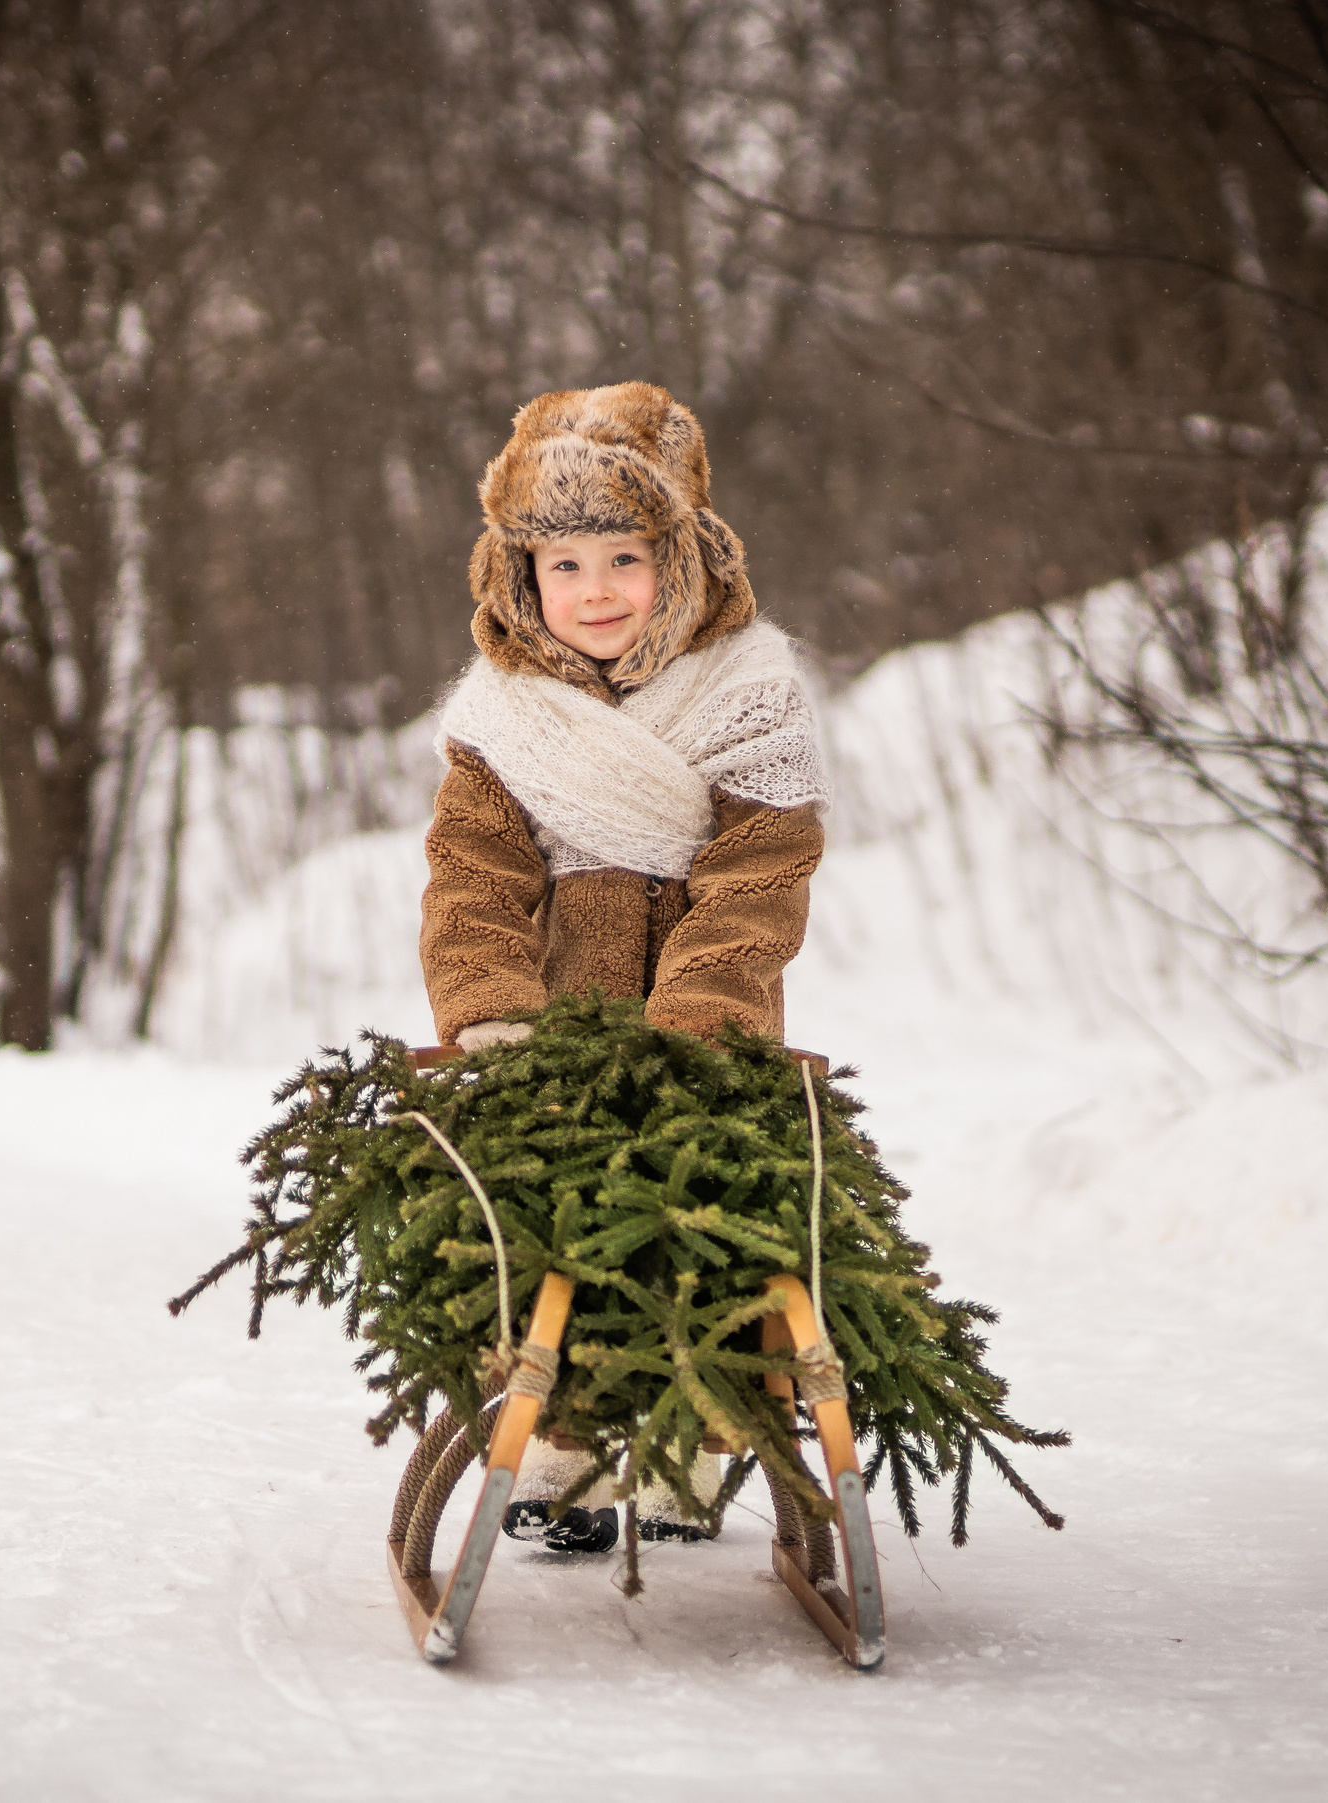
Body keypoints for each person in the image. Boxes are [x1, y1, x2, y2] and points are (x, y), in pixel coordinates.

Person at [417, 381, 830, 1551]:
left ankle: (693, 1446)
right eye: (563, 566)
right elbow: (471, 880)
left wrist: (702, 1013)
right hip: (557, 1027)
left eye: (623, 557)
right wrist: (492, 1009)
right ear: (519, 577)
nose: (594, 591)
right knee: (557, 1230)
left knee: (702, 1233)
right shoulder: (502, 718)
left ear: (681, 558)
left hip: (710, 1016)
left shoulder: (749, 693)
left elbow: (760, 873)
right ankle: (566, 1437)